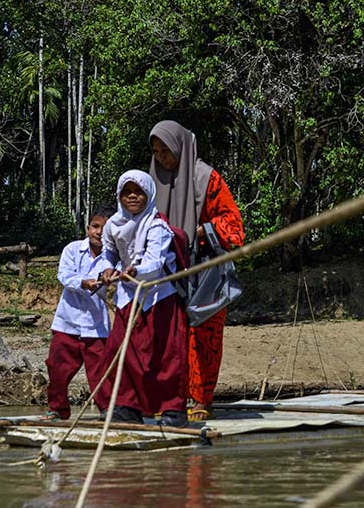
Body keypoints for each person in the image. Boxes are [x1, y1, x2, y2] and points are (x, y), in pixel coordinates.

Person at [149, 120, 245, 421]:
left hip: (205, 272)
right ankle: (171, 399)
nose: (163, 158)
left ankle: (201, 398)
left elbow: (234, 226)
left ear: (180, 146)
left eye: (167, 151)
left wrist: (202, 231)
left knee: (204, 336)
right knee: (166, 336)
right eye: (157, 152)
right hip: (165, 271)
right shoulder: (151, 183)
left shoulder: (206, 178)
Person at [99, 169, 189, 427]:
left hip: (158, 295)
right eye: (126, 192)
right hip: (128, 296)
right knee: (120, 349)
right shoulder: (113, 225)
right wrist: (107, 269)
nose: (132, 197)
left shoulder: (157, 225)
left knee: (165, 354)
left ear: (148, 194)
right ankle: (127, 406)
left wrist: (135, 271)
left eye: (138, 192)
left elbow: (155, 261)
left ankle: (172, 409)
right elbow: (108, 253)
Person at [45, 206, 115, 420]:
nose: (99, 232)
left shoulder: (113, 256)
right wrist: (83, 283)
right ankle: (57, 409)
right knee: (58, 368)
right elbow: (64, 276)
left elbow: (118, 275)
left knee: (101, 371)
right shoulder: (72, 249)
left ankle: (106, 409)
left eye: (106, 228)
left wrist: (110, 277)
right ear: (87, 228)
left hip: (96, 325)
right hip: (68, 321)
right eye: (95, 226)